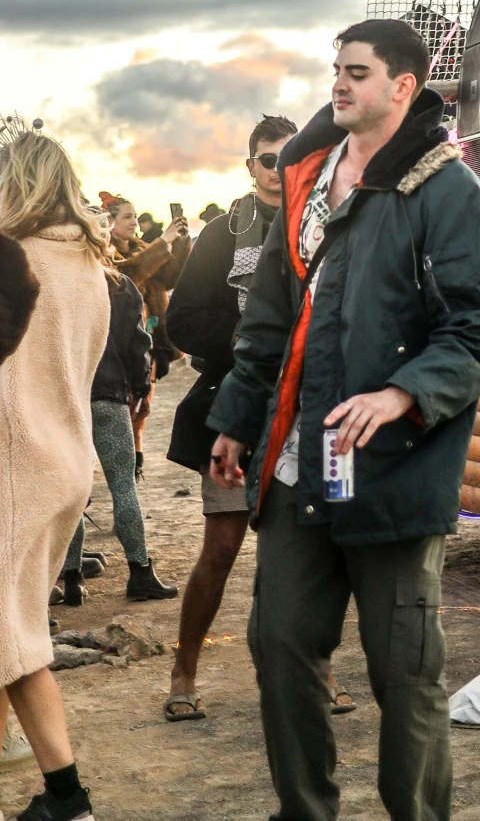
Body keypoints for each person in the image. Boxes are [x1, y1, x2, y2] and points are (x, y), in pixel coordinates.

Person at [208, 21, 480, 821]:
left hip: (395, 473)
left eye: (356, 73)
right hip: (299, 465)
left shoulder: (446, 190)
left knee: (403, 674)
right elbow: (272, 316)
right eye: (334, 71)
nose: (337, 86)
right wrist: (237, 419)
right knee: (278, 647)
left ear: (402, 87)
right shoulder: (310, 181)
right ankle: (304, 812)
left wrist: (401, 393)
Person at [161, 115, 300, 723]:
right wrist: (252, 336)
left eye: (287, 158)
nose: (277, 170)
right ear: (250, 166)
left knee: (301, 556)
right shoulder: (221, 236)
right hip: (236, 411)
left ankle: (308, 674)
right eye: (267, 160)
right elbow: (182, 322)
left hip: (304, 412)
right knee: (220, 550)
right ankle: (183, 669)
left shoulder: (320, 225)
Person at [0, 129, 112, 821]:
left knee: (15, 639)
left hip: (12, 459)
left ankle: (68, 798)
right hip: (65, 462)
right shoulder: (91, 267)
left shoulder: (13, 260)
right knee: (13, 628)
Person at [57, 260, 176, 606]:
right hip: (108, 395)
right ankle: (140, 573)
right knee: (123, 486)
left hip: (67, 399)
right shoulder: (118, 284)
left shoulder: (52, 277)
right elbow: (137, 343)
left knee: (74, 492)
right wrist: (140, 387)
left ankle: (73, 579)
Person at [104, 197, 190, 466]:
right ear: (110, 222)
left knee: (143, 405)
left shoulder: (143, 247)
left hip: (150, 339)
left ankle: (135, 459)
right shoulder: (106, 253)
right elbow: (131, 273)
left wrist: (181, 243)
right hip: (120, 342)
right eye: (127, 217)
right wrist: (163, 242)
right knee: (125, 405)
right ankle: (123, 462)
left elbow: (171, 278)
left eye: (134, 216)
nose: (133, 222)